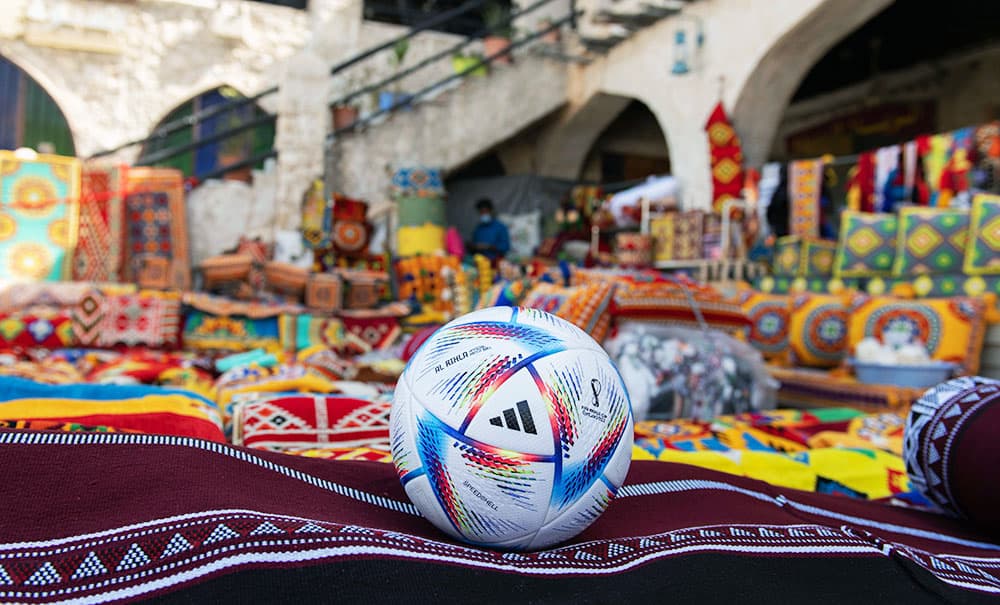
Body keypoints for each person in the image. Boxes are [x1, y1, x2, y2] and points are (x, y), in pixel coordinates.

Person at [469, 198, 510, 262]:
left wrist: (489, 247)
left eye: (486, 212)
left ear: (491, 211)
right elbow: (474, 245)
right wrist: (473, 246)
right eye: (481, 212)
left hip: (496, 261)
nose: (484, 214)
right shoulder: (478, 229)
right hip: (480, 262)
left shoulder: (501, 227)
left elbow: (505, 247)